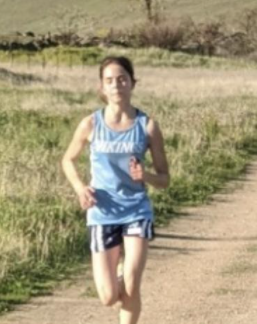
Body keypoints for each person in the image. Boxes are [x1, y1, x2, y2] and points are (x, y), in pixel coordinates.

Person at [61, 56, 170, 324]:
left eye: (122, 79)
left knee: (132, 285)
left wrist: (145, 175)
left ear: (132, 83)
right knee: (109, 297)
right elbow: (68, 160)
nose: (116, 85)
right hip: (102, 213)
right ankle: (118, 274)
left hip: (136, 211)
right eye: (109, 80)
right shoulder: (91, 124)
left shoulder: (147, 126)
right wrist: (80, 188)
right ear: (102, 87)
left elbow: (165, 178)